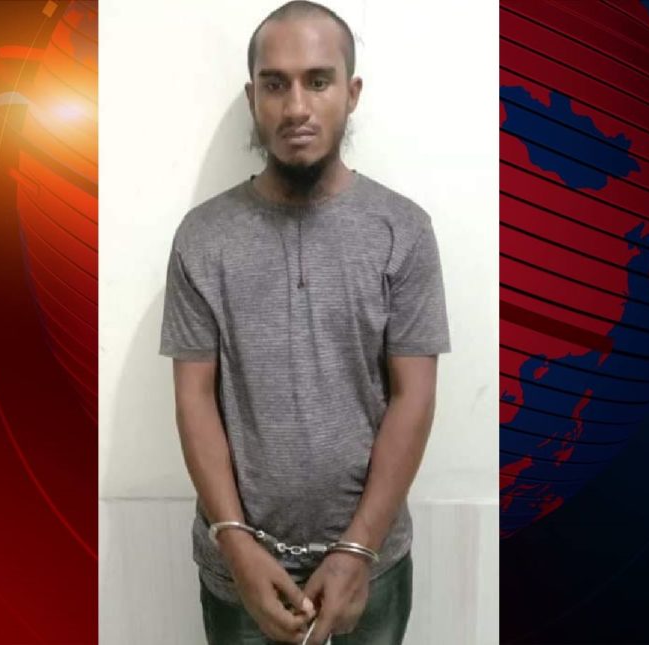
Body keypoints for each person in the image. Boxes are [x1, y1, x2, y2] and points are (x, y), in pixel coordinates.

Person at [158, 2, 451, 643]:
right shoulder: (203, 237)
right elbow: (193, 399)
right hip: (239, 569)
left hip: (372, 566)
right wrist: (237, 545)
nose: (296, 107)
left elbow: (415, 396)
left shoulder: (402, 230)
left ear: (352, 92)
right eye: (275, 84)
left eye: (318, 81)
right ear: (252, 97)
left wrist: (358, 550)